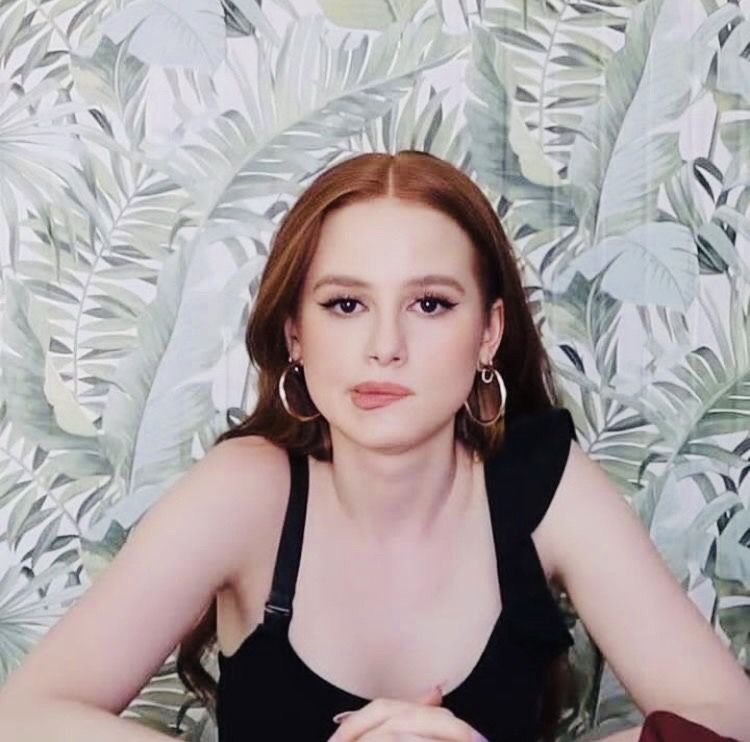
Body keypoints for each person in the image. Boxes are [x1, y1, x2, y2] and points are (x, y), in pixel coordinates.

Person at [0, 151, 748, 742]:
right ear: (296, 334)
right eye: (346, 304)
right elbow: (26, 716)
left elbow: (727, 717)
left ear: (488, 333)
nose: (385, 345)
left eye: (430, 304)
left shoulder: (543, 484)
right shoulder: (248, 490)